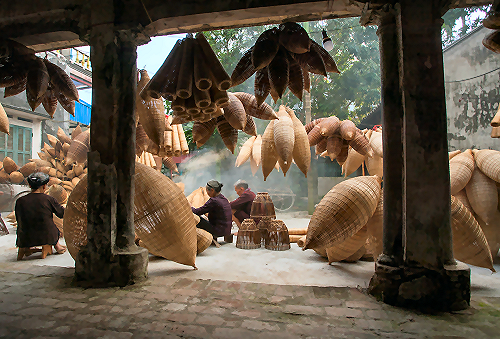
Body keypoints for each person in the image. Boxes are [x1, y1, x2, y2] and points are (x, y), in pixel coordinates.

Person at [15, 172, 66, 260]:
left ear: (30, 186)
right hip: (46, 237)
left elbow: (18, 218)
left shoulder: (20, 201)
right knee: (53, 227)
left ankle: (26, 248)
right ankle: (57, 246)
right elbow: (61, 214)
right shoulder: (48, 199)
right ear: (44, 186)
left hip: (24, 238)